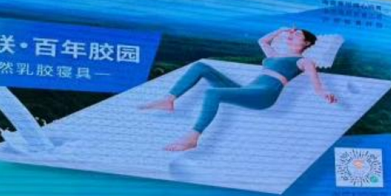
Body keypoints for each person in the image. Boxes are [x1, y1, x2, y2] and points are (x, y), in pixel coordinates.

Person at [141, 27, 337, 151]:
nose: (292, 35)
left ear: (306, 43)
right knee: (201, 67)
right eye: (292, 33)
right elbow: (262, 41)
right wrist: (281, 30)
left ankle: (193, 137)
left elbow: (317, 85)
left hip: (264, 95)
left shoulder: (304, 61)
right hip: (251, 89)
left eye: (297, 34)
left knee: (212, 93)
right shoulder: (275, 55)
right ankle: (168, 99)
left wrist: (325, 93)